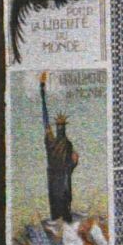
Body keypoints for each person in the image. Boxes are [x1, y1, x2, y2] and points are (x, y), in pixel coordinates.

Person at [40, 73, 79, 224]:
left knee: (62, 206)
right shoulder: (54, 141)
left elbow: (70, 166)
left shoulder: (62, 142)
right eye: (60, 126)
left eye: (61, 126)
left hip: (60, 177)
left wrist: (74, 162)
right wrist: (41, 89)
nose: (61, 128)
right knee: (60, 207)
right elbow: (45, 117)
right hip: (58, 177)